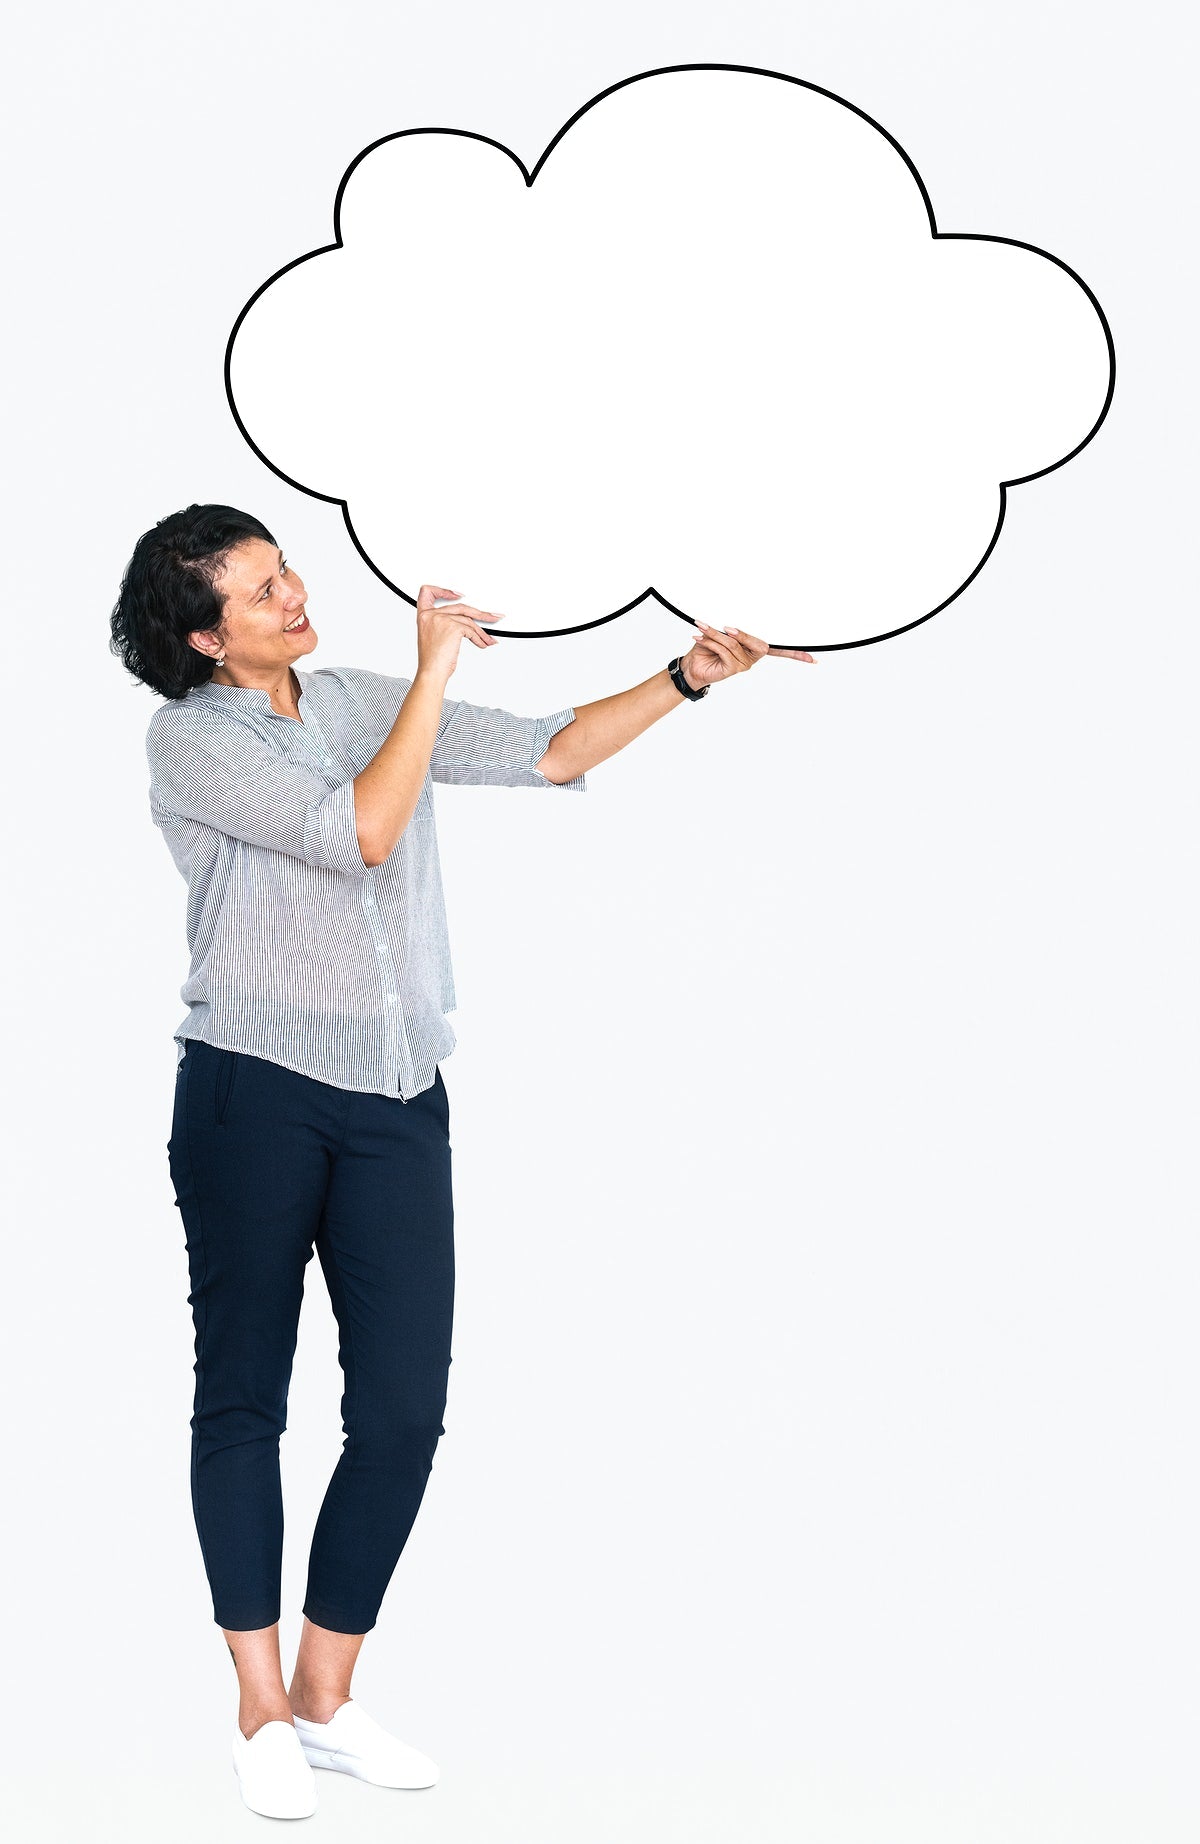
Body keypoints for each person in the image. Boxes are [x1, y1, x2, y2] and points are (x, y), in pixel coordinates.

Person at [109, 502, 814, 1819]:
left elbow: (547, 754)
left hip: (395, 1099)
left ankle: (327, 1695)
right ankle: (258, 1708)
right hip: (252, 1097)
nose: (295, 594)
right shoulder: (189, 741)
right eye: (262, 591)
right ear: (205, 637)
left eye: (286, 570)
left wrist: (685, 678)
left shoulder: (365, 698)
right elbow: (359, 834)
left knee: (401, 1412)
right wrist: (432, 678)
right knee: (244, 1400)